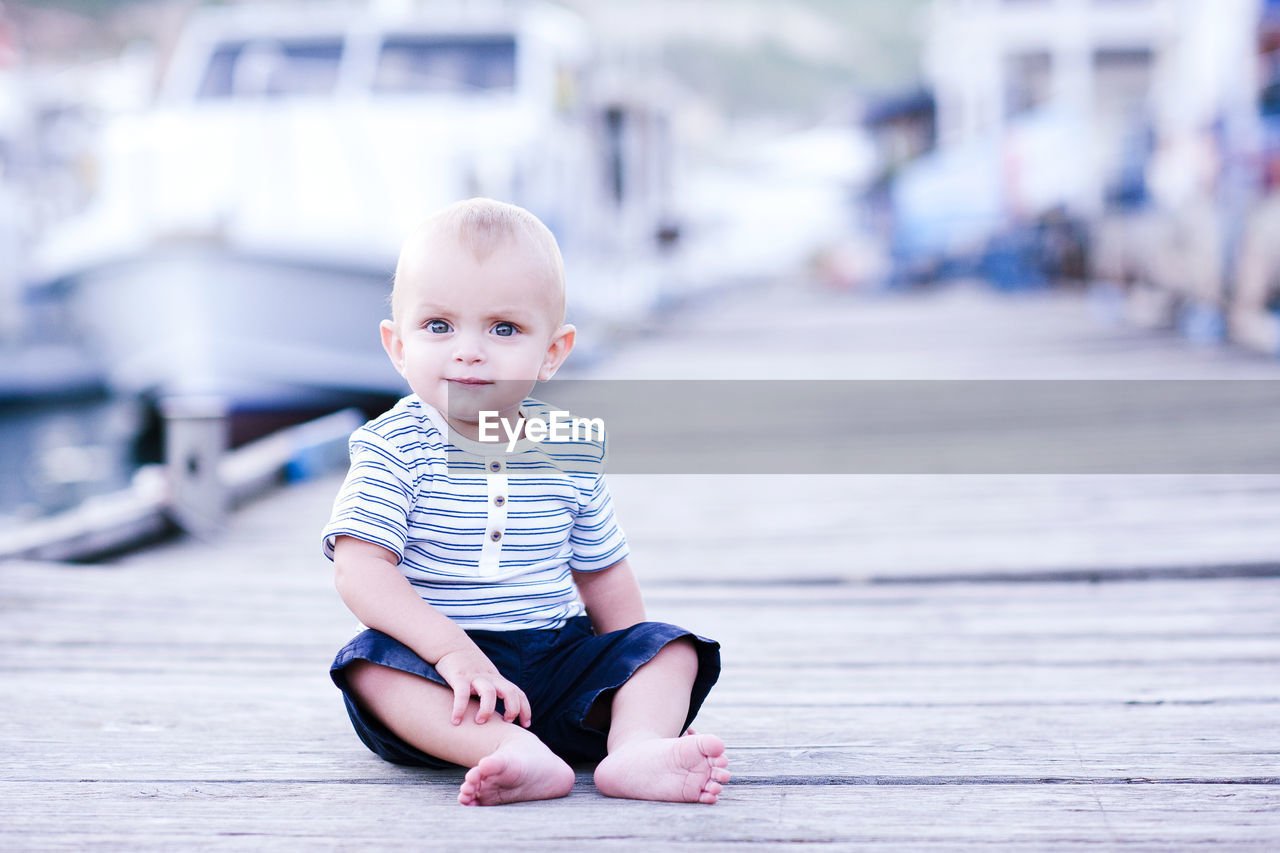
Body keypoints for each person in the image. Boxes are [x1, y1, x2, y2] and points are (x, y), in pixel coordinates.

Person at [322, 198, 728, 806]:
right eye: (439, 326)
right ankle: (507, 750)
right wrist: (454, 654)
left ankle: (636, 746)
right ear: (397, 346)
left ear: (553, 351)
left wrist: (629, 684)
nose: (468, 350)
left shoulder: (569, 448)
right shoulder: (393, 447)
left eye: (503, 328)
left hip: (554, 657)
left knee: (667, 648)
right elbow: (359, 569)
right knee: (368, 664)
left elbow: (604, 574)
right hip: (437, 670)